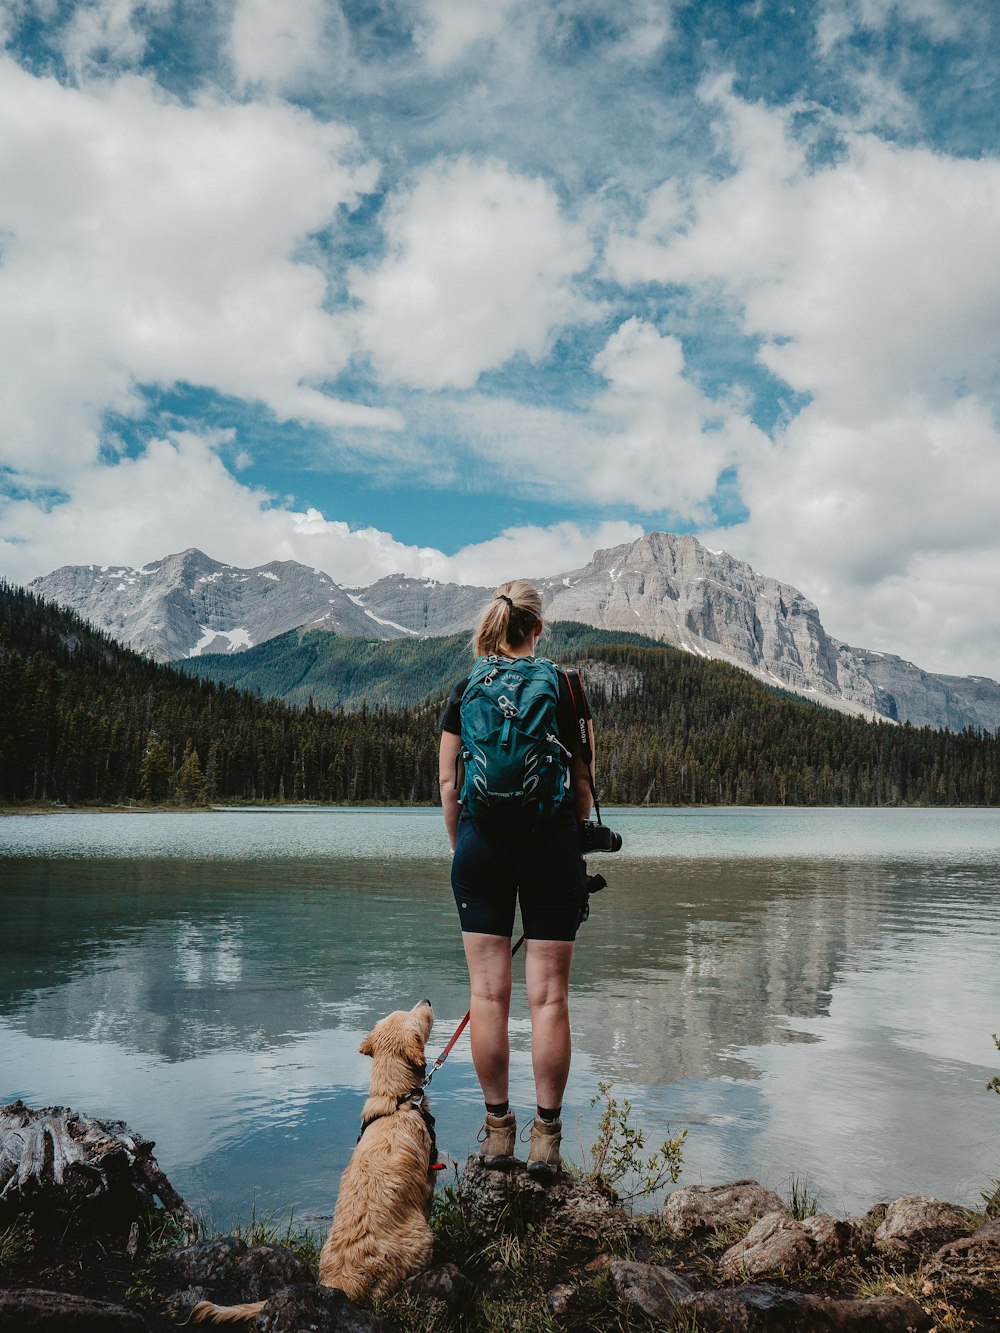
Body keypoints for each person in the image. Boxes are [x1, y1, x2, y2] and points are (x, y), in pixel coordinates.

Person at [438, 579, 596, 1179]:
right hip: (551, 846)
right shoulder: (563, 685)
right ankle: (546, 1142)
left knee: (487, 997)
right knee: (550, 997)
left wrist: (463, 846)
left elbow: (450, 784)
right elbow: (582, 785)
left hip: (480, 848)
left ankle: (497, 1136)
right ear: (537, 629)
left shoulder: (466, 686)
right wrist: (568, 837)